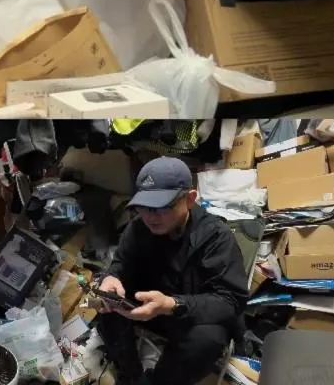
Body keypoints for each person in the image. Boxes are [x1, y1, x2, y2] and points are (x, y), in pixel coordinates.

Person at [95, 157, 249, 385]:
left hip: (189, 316)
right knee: (108, 306)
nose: (150, 216)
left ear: (190, 199)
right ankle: (132, 376)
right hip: (149, 308)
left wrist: (172, 305)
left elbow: (231, 300)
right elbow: (120, 264)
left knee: (206, 340)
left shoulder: (216, 237)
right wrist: (111, 278)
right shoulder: (138, 228)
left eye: (163, 207)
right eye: (144, 207)